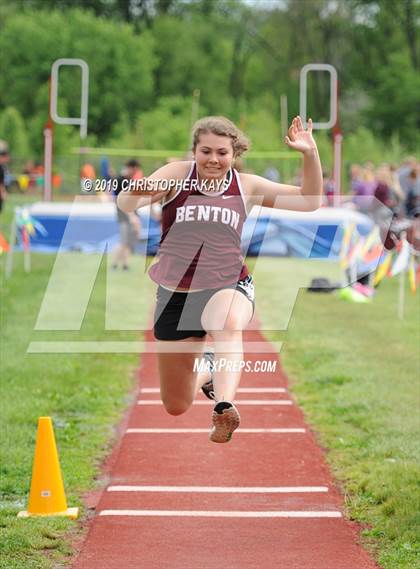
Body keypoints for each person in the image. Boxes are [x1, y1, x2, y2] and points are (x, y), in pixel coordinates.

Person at [117, 115, 322, 443]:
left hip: (227, 284)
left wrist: (310, 154)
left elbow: (309, 200)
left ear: (234, 153)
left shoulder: (247, 186)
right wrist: (139, 189)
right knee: (176, 404)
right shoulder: (176, 175)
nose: (213, 159)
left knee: (226, 322)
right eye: (206, 151)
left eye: (222, 153)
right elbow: (126, 203)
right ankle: (209, 369)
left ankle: (224, 405)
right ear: (194, 151)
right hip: (175, 295)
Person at [111, 159, 142, 270]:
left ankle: (125, 264)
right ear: (132, 168)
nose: (136, 173)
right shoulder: (120, 180)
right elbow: (121, 201)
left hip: (130, 212)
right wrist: (132, 216)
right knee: (124, 240)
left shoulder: (128, 180)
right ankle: (114, 263)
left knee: (129, 241)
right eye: (136, 170)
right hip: (124, 213)